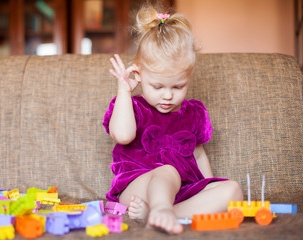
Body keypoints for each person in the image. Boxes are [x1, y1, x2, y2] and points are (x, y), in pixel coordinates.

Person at [102, 4, 243, 235]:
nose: (168, 95)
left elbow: (198, 154)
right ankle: (160, 208)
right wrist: (124, 91)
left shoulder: (194, 112)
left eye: (178, 86)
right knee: (168, 171)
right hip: (138, 188)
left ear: (188, 78)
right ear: (138, 75)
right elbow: (123, 135)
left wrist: (206, 187)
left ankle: (161, 213)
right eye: (157, 86)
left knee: (233, 190)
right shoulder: (133, 106)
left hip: (181, 193)